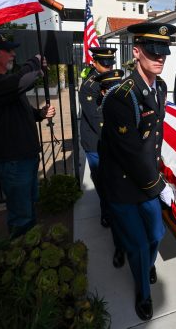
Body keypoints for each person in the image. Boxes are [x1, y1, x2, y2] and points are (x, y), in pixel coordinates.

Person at [99, 22, 176, 321]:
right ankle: (143, 294)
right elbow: (129, 152)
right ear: (136, 52)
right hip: (124, 183)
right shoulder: (121, 96)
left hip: (146, 176)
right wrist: (159, 186)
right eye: (153, 52)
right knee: (140, 244)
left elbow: (154, 137)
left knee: (156, 233)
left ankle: (141, 261)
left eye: (163, 53)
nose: (160, 58)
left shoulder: (159, 87)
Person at [0, 31, 55, 237]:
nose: (12, 54)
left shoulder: (2, 80)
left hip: (23, 157)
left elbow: (18, 109)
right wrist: (35, 62)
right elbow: (21, 81)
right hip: (13, 160)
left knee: (28, 205)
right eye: (7, 51)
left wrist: (39, 114)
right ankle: (22, 253)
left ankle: (31, 244)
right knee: (22, 216)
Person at [78, 46, 117, 228]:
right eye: (104, 63)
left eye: (110, 63)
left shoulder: (113, 81)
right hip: (96, 140)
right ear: (94, 62)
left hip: (111, 137)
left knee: (112, 178)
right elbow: (96, 119)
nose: (108, 67)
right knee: (101, 179)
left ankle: (114, 206)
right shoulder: (89, 86)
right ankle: (106, 212)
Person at [95, 69, 127, 268]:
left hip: (130, 170)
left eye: (117, 87)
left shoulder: (131, 106)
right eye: (109, 88)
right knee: (116, 212)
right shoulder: (99, 111)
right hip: (112, 169)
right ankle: (119, 248)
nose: (114, 91)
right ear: (102, 92)